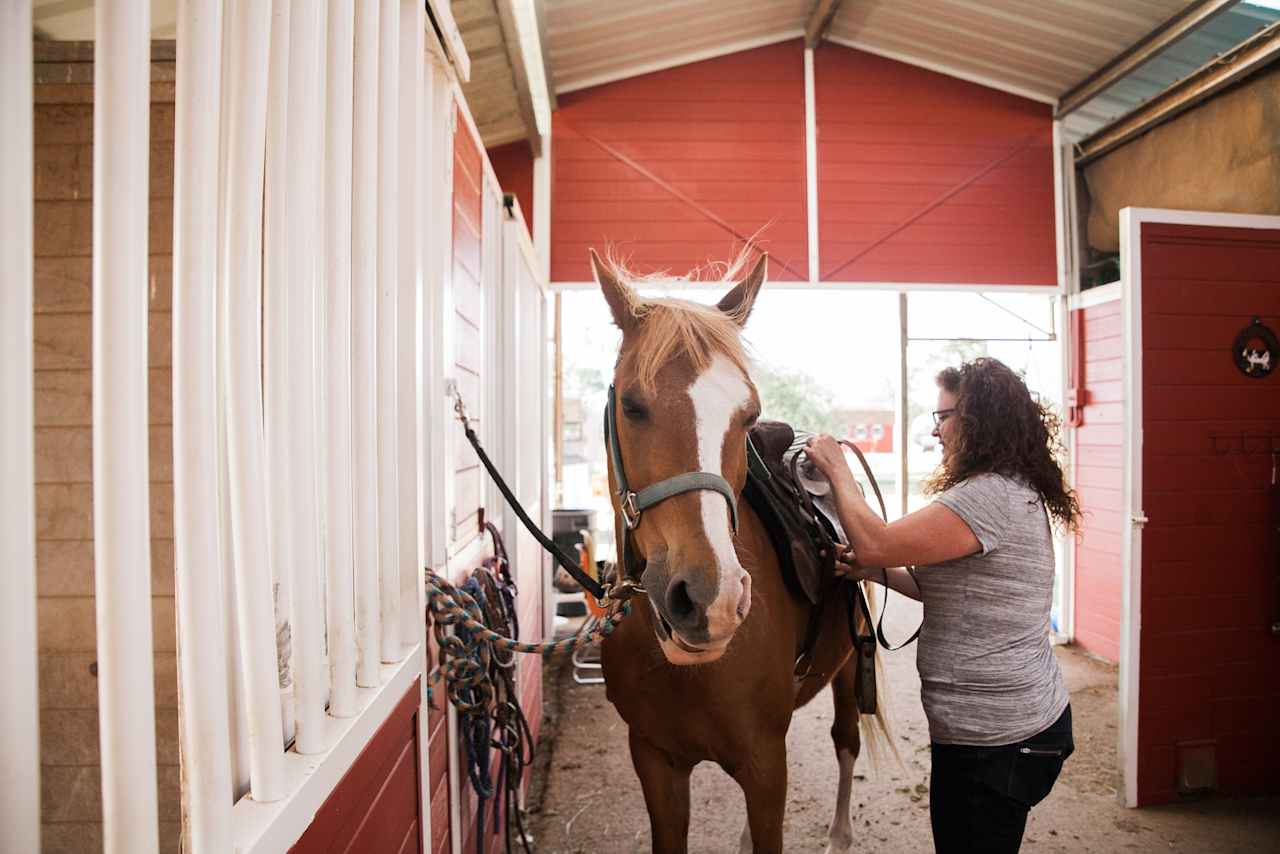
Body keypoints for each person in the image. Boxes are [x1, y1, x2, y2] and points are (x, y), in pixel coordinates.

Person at [805, 357, 1080, 854]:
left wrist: (838, 470)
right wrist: (870, 571)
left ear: (976, 421)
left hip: (997, 740)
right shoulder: (1004, 491)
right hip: (997, 732)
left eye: (942, 417)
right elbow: (944, 587)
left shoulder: (989, 497)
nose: (936, 431)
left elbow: (876, 541)